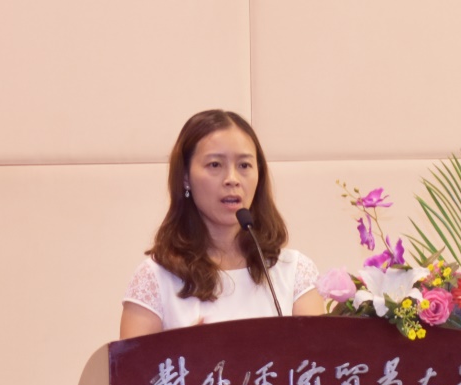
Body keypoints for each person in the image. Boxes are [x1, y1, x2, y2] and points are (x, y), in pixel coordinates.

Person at [120, 110, 324, 339]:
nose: (232, 179)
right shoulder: (155, 279)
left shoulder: (294, 272)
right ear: (185, 177)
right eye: (215, 164)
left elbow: (317, 358)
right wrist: (184, 352)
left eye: (244, 165)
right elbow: (131, 363)